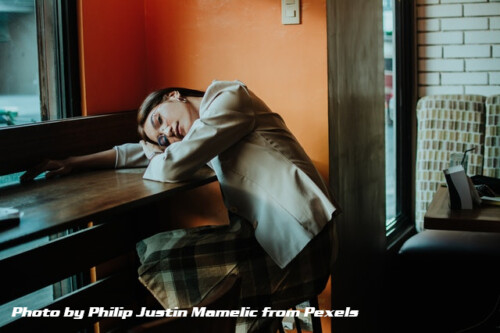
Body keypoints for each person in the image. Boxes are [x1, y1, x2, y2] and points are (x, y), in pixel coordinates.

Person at [22, 80, 340, 332]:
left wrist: (159, 152)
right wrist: (74, 162)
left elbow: (169, 166)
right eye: (160, 137)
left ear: (173, 95)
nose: (166, 133)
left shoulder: (230, 98)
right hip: (283, 241)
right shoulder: (206, 136)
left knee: (157, 257)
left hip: (305, 244)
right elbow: (142, 153)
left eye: (160, 119)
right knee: (157, 253)